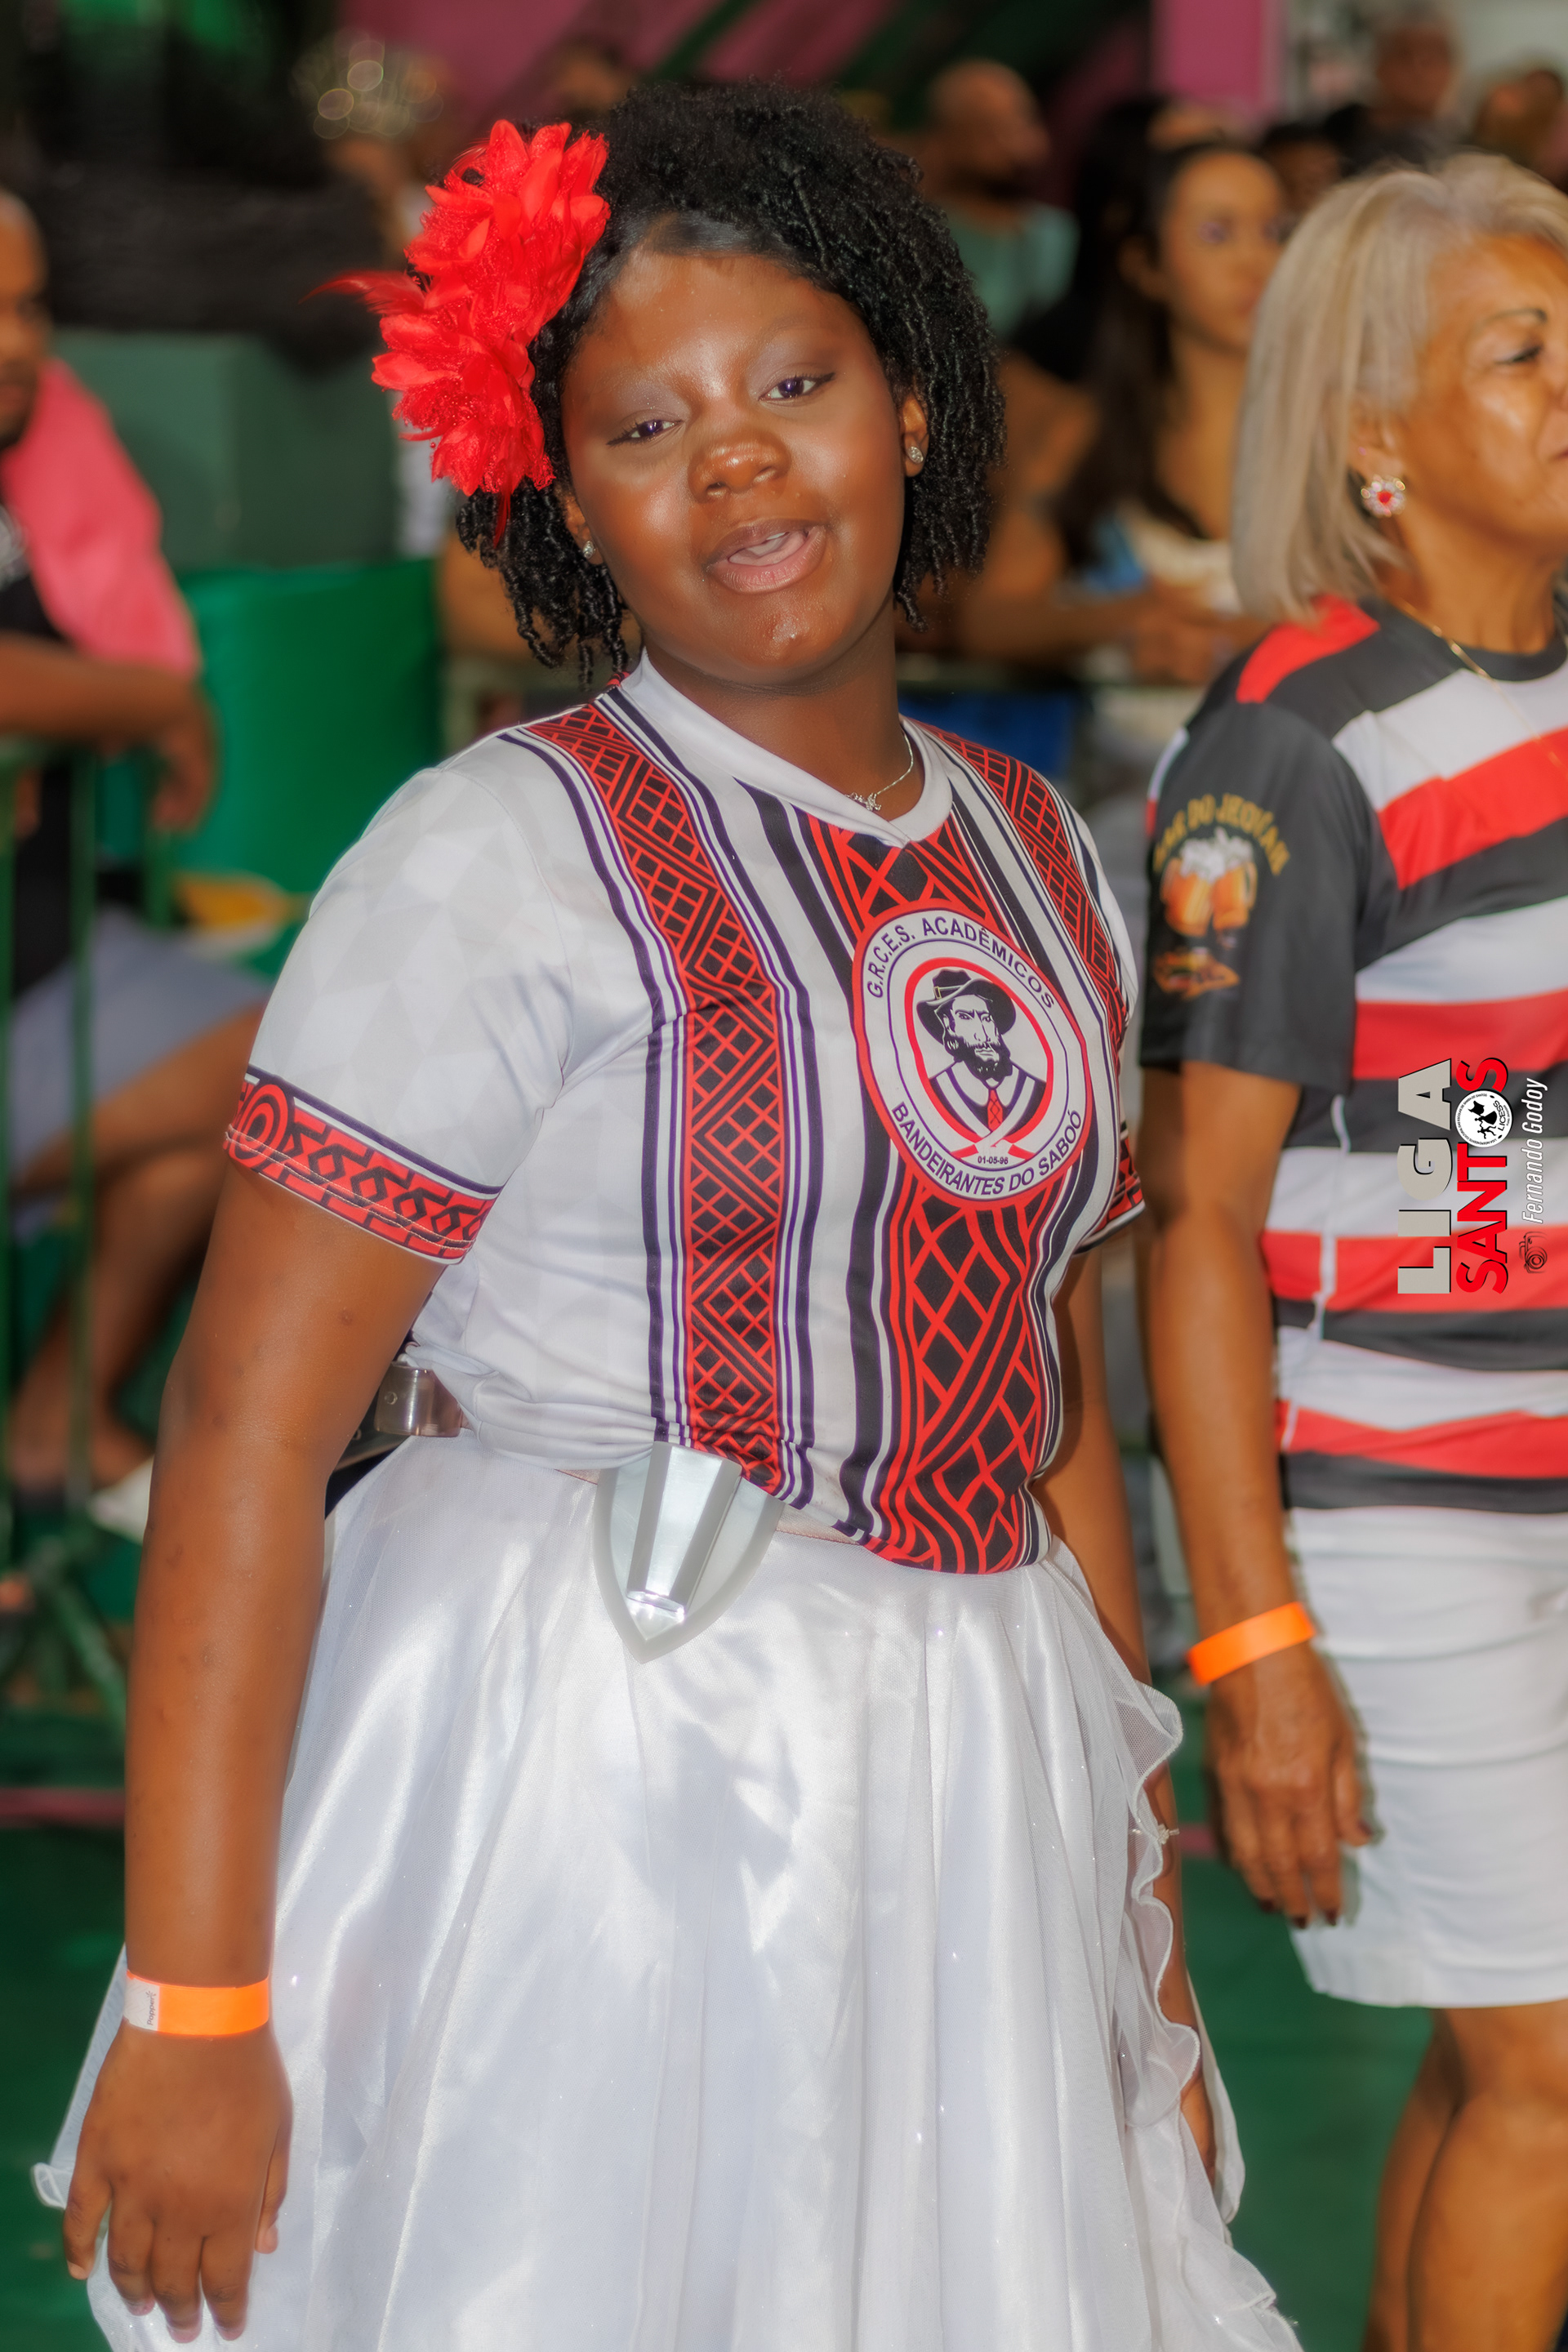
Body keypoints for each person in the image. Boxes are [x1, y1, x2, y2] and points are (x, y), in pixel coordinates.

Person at [40, 84, 1297, 2352]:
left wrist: (1144, 1943)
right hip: (590, 1759)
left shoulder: (1041, 853)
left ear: (913, 407)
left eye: (792, 384)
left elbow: (1040, 1409)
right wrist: (195, 1999)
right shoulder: (490, 855)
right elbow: (241, 1431)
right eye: (646, 427)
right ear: (566, 504)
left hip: (973, 1759)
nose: (734, 462)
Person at [1138, 154, 1568, 2352]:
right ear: (1374, 433)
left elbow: (1482, 1103)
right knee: (1553, 2073)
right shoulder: (1298, 746)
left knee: (1505, 2049)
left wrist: (1497, 1195)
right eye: (1524, 352)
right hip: (1389, 1509)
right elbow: (1196, 1219)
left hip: (1539, 1462)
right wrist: (1254, 1641)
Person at [0, 192, 265, 1512]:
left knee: (240, 1122)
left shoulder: (45, 443)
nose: (16, 342)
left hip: (48, 956)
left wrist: (124, 699)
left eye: (29, 306)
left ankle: (55, 1421)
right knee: (310, 1067)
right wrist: (153, 704)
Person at [956, 143, 1285, 727]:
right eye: (1217, 233)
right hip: (1130, 769)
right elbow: (991, 620)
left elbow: (1412, 596)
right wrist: (1118, 618)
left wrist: (1263, 636)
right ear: (1145, 265)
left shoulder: (1345, 428)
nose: (1255, 262)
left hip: (1304, 767)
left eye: (1275, 231)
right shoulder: (1088, 432)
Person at [923, 59, 1076, 342]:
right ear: (947, 140)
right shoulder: (924, 236)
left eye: (1024, 121)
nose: (1015, 144)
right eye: (989, 130)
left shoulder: (1062, 233)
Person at [1322, 8, 1459, 175]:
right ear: (1378, 64)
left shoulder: (1463, 143)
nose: (1420, 69)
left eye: (1434, 55)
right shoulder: (1334, 135)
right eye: (1405, 55)